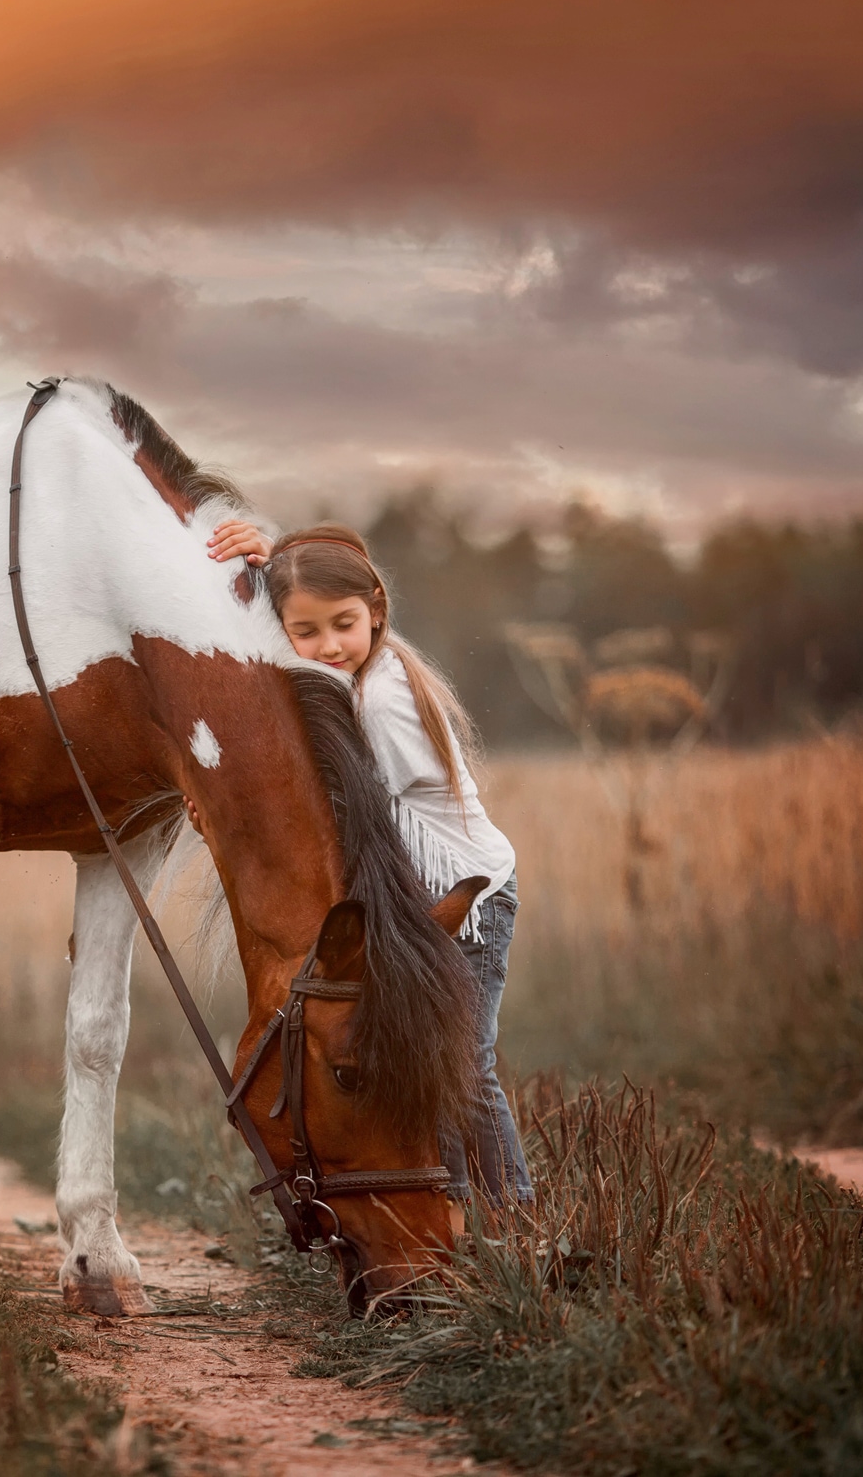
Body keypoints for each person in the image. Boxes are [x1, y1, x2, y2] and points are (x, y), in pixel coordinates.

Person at [200, 517, 534, 1210]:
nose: (328, 646)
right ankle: (451, 1216)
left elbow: (357, 810)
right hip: (419, 901)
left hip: (467, 901)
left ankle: (515, 1221)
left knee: (467, 1068)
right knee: (419, 1065)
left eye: (344, 624)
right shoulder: (354, 679)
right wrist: (271, 558)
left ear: (376, 611)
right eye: (307, 632)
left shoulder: (381, 701)